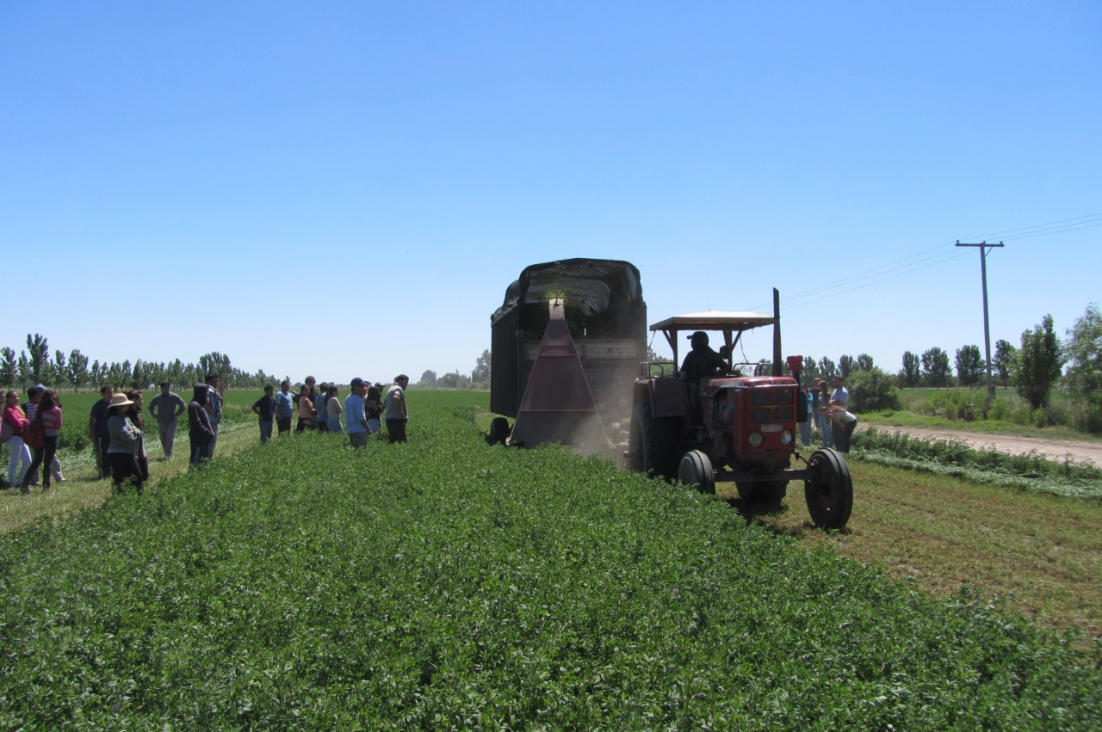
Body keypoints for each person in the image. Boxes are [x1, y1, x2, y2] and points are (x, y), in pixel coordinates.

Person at [20, 389, 62, 493]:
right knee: (47, 462)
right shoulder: (56, 410)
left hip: (40, 437)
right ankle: (46, 486)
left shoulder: (40, 409)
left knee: (36, 461)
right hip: (51, 437)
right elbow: (58, 426)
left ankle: (25, 484)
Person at [106, 393, 144, 494]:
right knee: (119, 479)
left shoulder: (126, 418)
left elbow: (139, 432)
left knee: (138, 477)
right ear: (119, 407)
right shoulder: (114, 420)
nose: (128, 406)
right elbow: (127, 437)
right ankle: (117, 500)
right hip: (117, 453)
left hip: (128, 452)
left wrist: (134, 431)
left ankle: (136, 498)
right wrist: (133, 432)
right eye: (126, 405)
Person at [148, 382, 186, 460]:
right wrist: (154, 414)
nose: (167, 389)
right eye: (165, 387)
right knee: (163, 438)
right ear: (161, 388)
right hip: (161, 421)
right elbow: (150, 407)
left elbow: (183, 405)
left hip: (171, 420)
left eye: (168, 387)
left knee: (169, 437)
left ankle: (168, 454)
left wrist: (177, 413)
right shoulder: (157, 398)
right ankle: (166, 452)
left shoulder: (174, 397)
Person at [2, 390, 32, 489]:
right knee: (14, 461)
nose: (17, 399)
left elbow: (27, 421)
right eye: (13, 397)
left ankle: (20, 480)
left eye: (17, 397)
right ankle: (12, 483)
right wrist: (23, 421)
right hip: (13, 438)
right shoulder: (8, 410)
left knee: (28, 460)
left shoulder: (18, 409)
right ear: (8, 399)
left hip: (22, 437)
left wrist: (23, 421)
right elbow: (17, 424)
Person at [88, 385, 114, 479]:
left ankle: (111, 470)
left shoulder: (114, 404)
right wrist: (92, 432)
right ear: (103, 394)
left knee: (112, 453)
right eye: (109, 392)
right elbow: (92, 419)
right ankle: (105, 472)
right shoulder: (98, 405)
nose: (111, 394)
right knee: (104, 454)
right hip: (102, 434)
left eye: (112, 392)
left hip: (112, 433)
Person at [125, 390, 150, 483]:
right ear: (134, 400)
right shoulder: (128, 414)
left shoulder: (137, 412)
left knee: (144, 474)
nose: (142, 401)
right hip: (132, 447)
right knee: (138, 475)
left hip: (140, 445)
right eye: (141, 399)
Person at [188, 383, 216, 467]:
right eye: (206, 391)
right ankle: (193, 478)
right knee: (196, 462)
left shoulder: (201, 405)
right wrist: (207, 432)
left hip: (204, 439)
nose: (208, 393)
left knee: (203, 462)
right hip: (198, 439)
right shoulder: (194, 405)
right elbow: (196, 423)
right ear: (201, 392)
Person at [829, 375, 857, 452]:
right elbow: (830, 401)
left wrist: (834, 402)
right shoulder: (835, 390)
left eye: (836, 381)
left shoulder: (844, 392)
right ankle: (839, 449)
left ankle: (845, 451)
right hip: (837, 414)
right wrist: (833, 402)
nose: (835, 383)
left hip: (844, 417)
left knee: (845, 436)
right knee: (836, 434)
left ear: (841, 382)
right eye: (834, 381)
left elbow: (842, 405)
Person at [344, 377, 370, 448]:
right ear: (355, 387)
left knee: (355, 451)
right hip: (359, 430)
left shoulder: (348, 398)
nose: (364, 388)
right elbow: (360, 417)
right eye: (362, 386)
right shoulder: (358, 400)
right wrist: (368, 429)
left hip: (351, 429)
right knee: (360, 453)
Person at [384, 374, 410, 443]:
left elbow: (385, 403)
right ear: (400, 381)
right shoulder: (398, 389)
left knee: (393, 442)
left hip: (390, 419)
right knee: (401, 442)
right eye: (405, 383)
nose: (406, 385)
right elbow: (396, 397)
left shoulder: (391, 388)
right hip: (396, 419)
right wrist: (401, 411)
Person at [205, 373, 223, 456]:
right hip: (210, 420)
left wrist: (221, 392)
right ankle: (207, 458)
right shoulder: (208, 390)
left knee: (213, 440)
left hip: (214, 420)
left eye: (217, 381)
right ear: (208, 382)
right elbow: (206, 401)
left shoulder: (215, 391)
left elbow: (220, 403)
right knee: (211, 440)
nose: (217, 383)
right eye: (214, 381)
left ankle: (208, 458)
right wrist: (211, 411)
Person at [817, 380, 834, 448]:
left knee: (827, 428)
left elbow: (829, 404)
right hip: (820, 412)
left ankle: (831, 443)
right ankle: (825, 443)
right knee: (823, 429)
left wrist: (826, 408)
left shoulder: (828, 394)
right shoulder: (819, 394)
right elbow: (819, 402)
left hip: (826, 413)